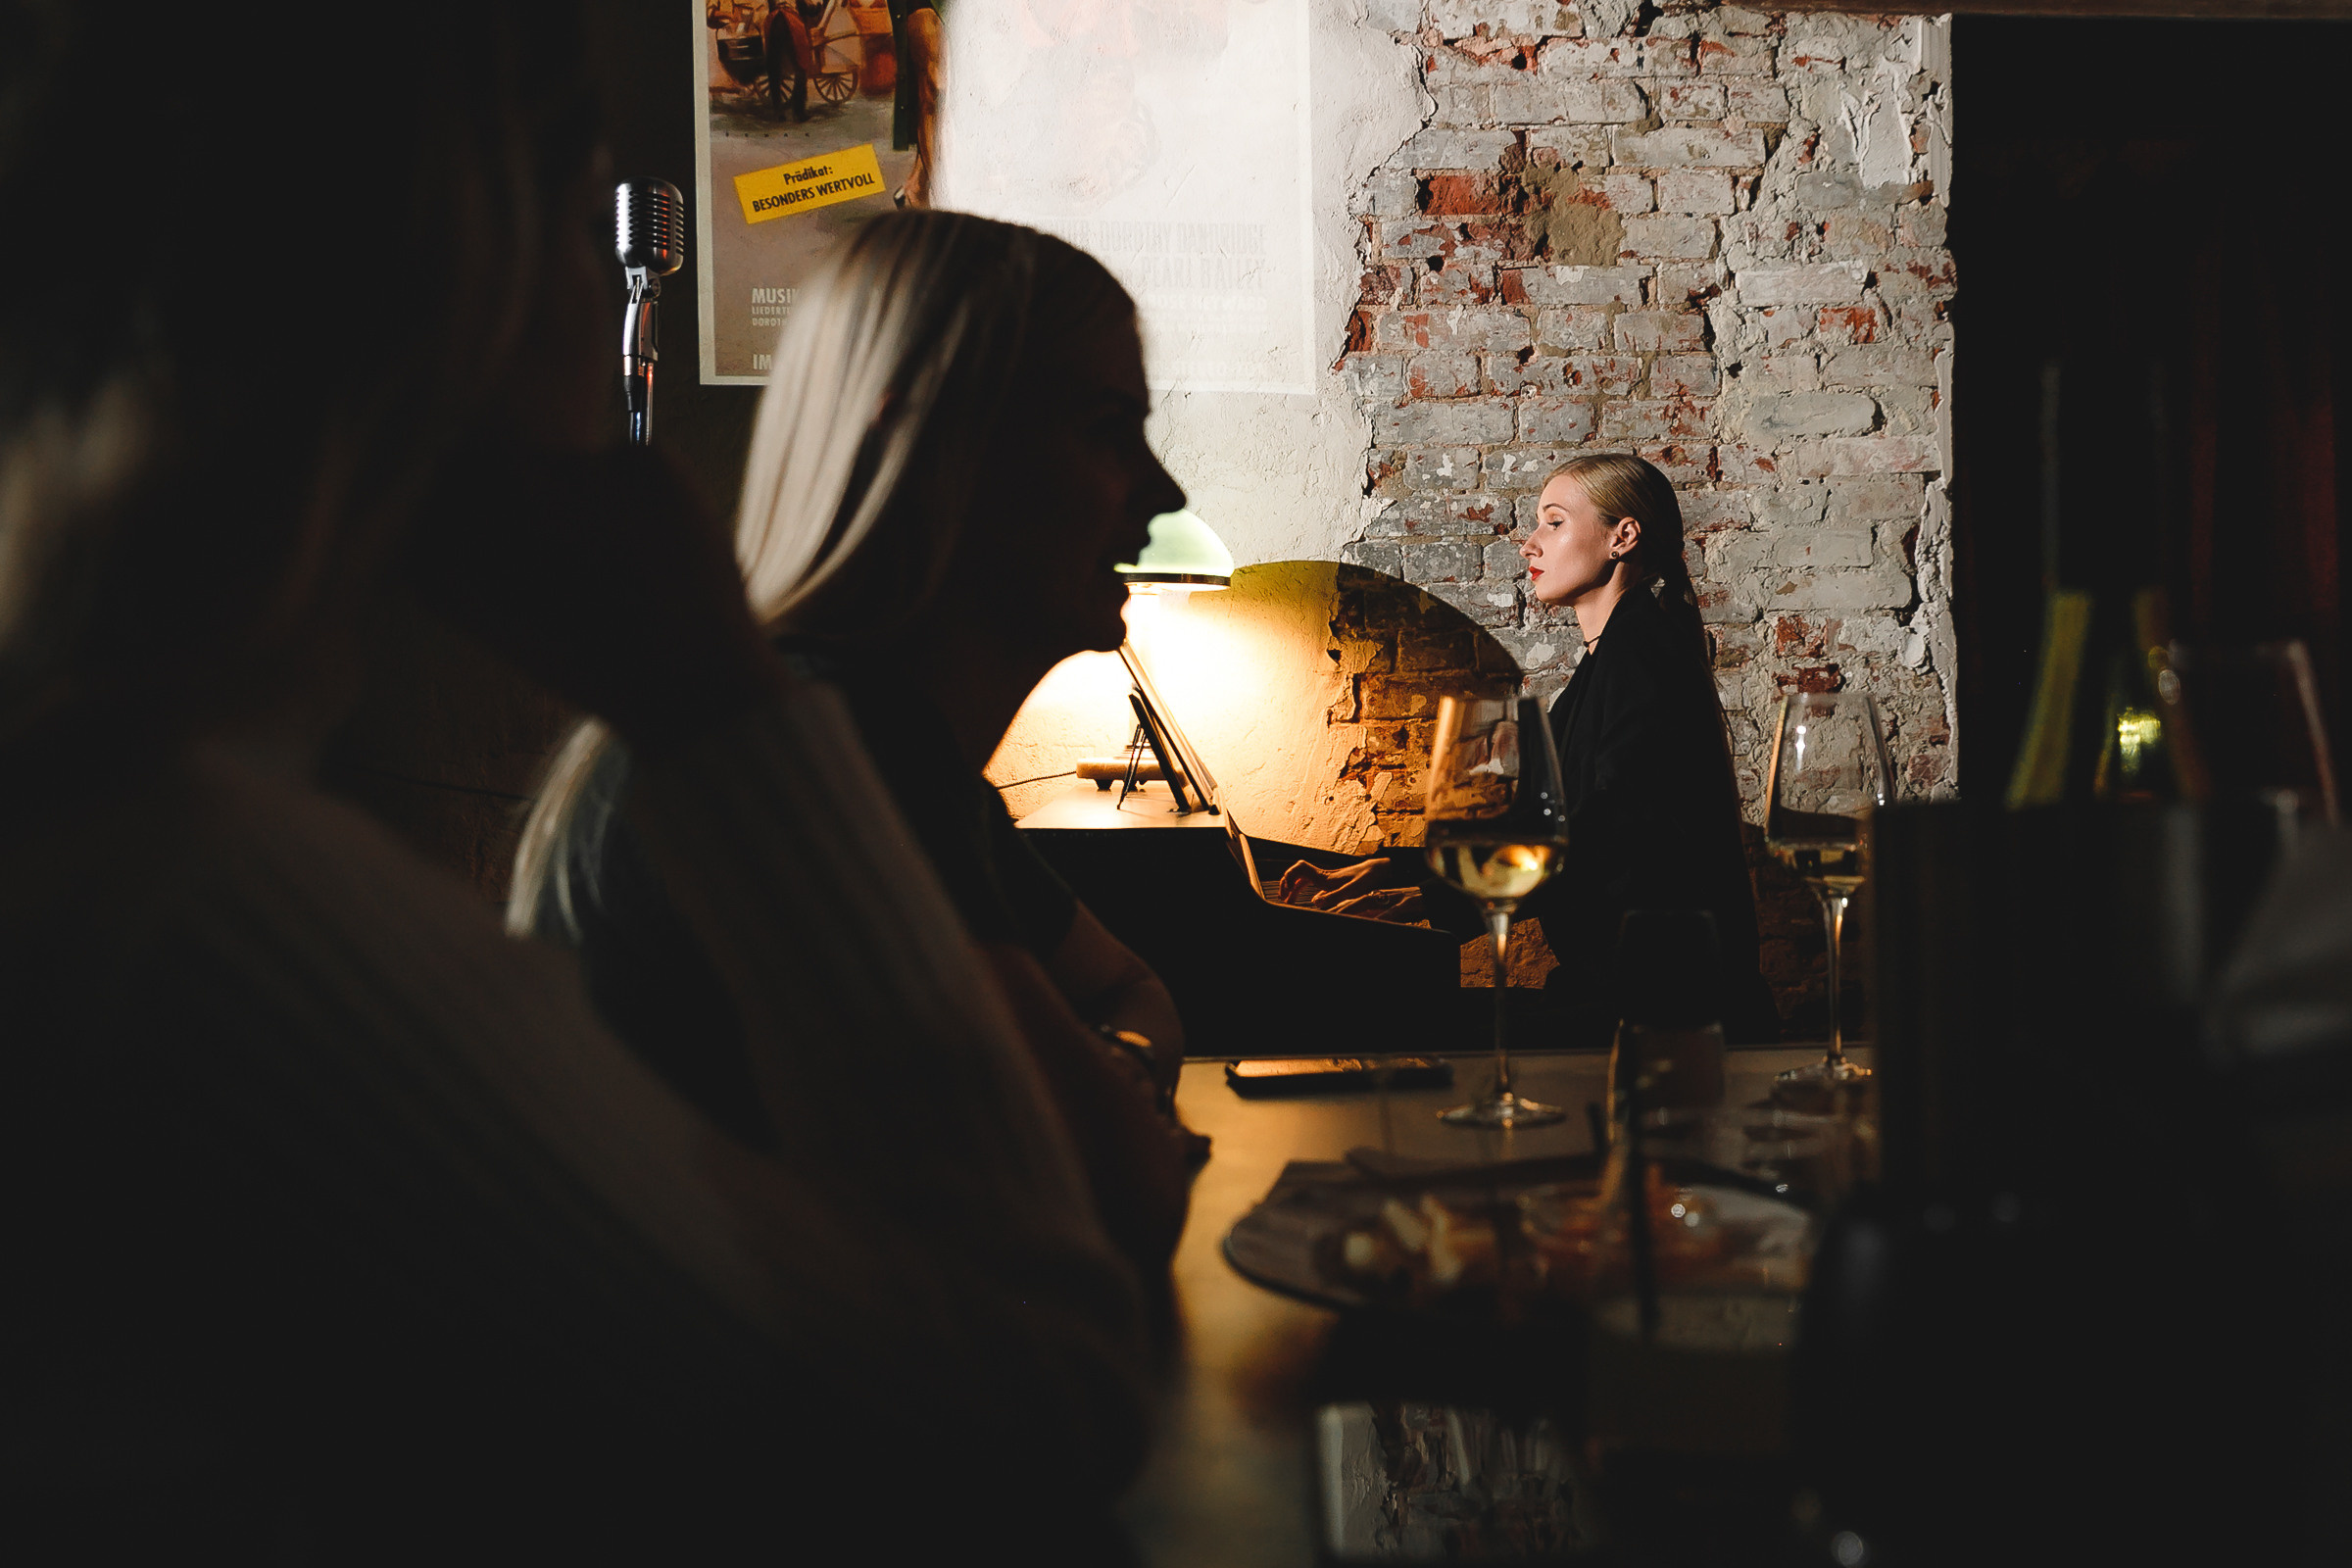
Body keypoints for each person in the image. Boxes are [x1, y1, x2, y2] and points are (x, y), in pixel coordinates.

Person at [0, 6, 1153, 1558]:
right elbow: (1038, 1415)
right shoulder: (203, 899)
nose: (632, 289)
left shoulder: (127, 804)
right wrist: (720, 704)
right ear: (452, 270)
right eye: (586, 202)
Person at [510, 211, 1199, 1275]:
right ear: (920, 445)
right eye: (1109, 429)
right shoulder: (841, 744)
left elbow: (1131, 992)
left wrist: (1112, 1071)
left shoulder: (871, 736)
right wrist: (1116, 1099)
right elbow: (1128, 1202)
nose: (1163, 495)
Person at [1517, 453, 1781, 1044]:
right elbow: (1536, 830)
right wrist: (1393, 878)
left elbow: (1612, 827)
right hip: (1620, 997)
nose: (1529, 544)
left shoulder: (1642, 650)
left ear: (1623, 536)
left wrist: (1427, 895)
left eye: (1553, 522)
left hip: (1661, 1015)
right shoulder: (1606, 664)